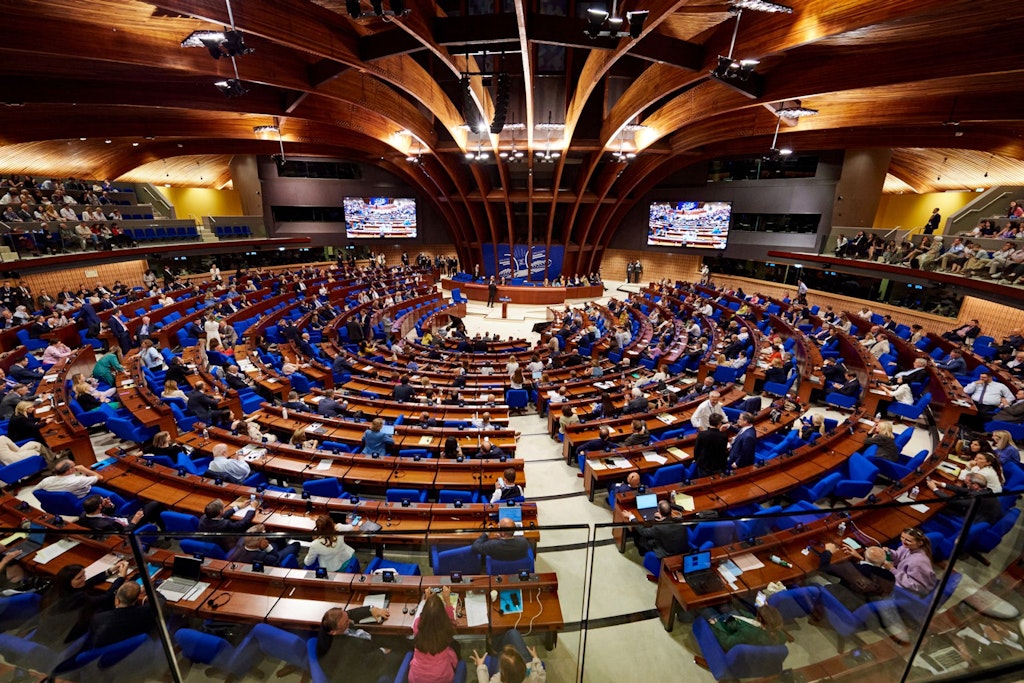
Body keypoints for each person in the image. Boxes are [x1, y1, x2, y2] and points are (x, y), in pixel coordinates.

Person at [34, 560, 129, 648]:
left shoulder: (56, 590)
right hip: (64, 637)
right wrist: (121, 577)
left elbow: (85, 583)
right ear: (69, 581)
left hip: (49, 631)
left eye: (84, 575)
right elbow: (107, 597)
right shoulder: (77, 598)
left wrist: (109, 571)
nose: (84, 578)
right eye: (80, 577)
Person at [315, 605, 406, 682]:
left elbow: (348, 614)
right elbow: (364, 663)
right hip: (358, 672)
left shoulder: (331, 623)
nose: (350, 621)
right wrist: (382, 651)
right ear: (333, 632)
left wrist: (370, 610)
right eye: (346, 623)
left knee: (394, 639)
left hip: (362, 648)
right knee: (400, 654)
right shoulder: (340, 648)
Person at [410, 587, 459, 683]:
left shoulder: (417, 625)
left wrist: (427, 602)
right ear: (442, 616)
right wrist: (447, 601)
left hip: (417, 678)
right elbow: (452, 621)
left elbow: (423, 617)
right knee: (456, 646)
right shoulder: (447, 629)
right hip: (443, 678)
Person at [926, 472, 1003, 525]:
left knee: (939, 508)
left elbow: (953, 501)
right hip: (979, 513)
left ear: (975, 485)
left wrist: (934, 489)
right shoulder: (984, 490)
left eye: (967, 483)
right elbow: (961, 490)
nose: (965, 485)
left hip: (975, 520)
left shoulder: (977, 497)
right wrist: (941, 484)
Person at [702, 605, 786, 653]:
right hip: (737, 621)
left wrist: (716, 625)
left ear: (760, 619)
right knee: (724, 605)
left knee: (706, 609)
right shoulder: (780, 635)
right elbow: (751, 620)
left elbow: (726, 643)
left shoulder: (749, 633)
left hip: (728, 628)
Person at [472, 638, 546, 683]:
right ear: (523, 664)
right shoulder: (534, 677)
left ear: (502, 672)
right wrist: (536, 659)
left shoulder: (496, 680)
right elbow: (542, 675)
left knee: (487, 660)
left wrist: (480, 666)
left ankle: (494, 642)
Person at [228, 523, 300, 566]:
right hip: (273, 559)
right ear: (259, 542)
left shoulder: (241, 544)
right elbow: (275, 558)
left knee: (277, 543)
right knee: (295, 545)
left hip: (257, 552)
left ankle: (282, 544)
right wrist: (268, 546)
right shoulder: (262, 557)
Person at [36, 458, 100, 498]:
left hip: (60, 504)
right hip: (83, 501)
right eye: (74, 466)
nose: (76, 467)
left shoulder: (46, 480)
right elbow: (99, 477)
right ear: (69, 470)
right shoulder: (78, 480)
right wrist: (84, 469)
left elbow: (35, 491)